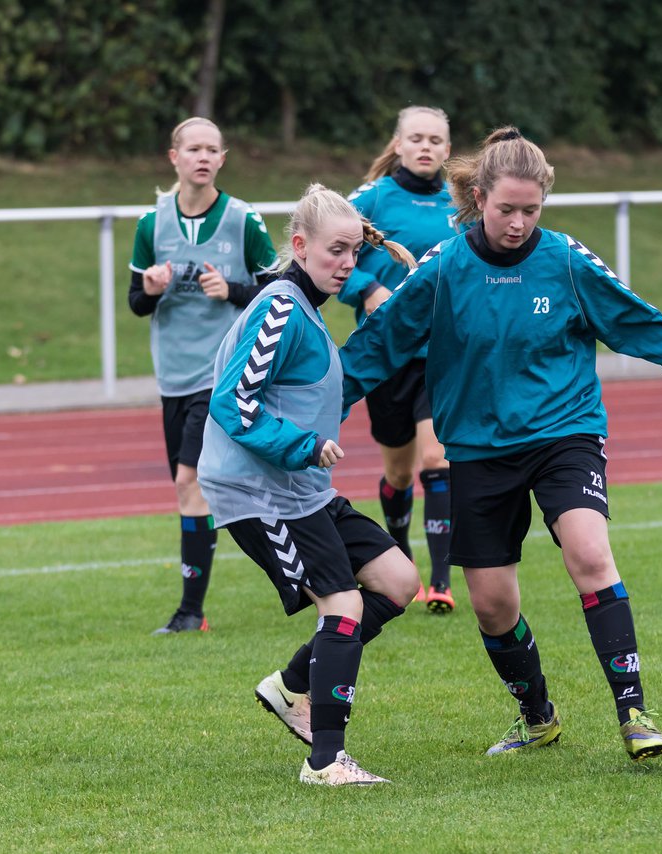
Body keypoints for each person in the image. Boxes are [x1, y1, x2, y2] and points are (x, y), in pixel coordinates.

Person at [340, 127, 662, 763]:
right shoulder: (444, 269)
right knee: (492, 605)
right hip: (479, 450)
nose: (517, 223)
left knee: (590, 552)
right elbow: (380, 344)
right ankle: (538, 717)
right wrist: (317, 407)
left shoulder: (565, 260)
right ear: (479, 198)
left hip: (565, 432)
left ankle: (635, 713)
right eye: (505, 209)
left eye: (530, 210)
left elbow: (639, 325)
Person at [198, 184, 420, 785]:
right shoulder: (279, 307)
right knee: (343, 605)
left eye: (353, 252)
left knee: (398, 581)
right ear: (299, 245)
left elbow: (315, 393)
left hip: (302, 489)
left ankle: (293, 684)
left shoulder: (307, 309)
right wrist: (303, 445)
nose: (347, 263)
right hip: (256, 492)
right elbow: (231, 401)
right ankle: (325, 760)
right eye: (335, 251)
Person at [128, 117, 278, 635]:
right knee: (203, 490)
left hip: (222, 373)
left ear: (222, 159)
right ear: (174, 157)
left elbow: (278, 293)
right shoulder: (153, 223)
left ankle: (191, 612)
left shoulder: (243, 220)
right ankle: (299, 567)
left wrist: (232, 290)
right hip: (173, 375)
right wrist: (149, 288)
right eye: (193, 149)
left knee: (188, 481)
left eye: (212, 149)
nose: (202, 157)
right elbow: (135, 304)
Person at [340, 106, 459, 613]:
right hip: (387, 355)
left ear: (448, 150)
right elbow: (323, 252)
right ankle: (399, 552)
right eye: (417, 138)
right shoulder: (371, 200)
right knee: (397, 473)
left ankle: (440, 581)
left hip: (444, 354)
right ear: (400, 144)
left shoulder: (463, 201)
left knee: (437, 459)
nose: (426, 146)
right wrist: (365, 288)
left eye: (436, 139)